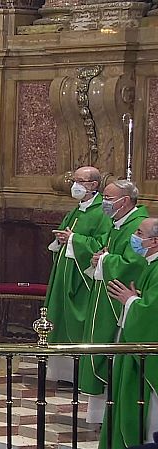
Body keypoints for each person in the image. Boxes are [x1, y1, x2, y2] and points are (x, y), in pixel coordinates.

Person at [81, 180, 147, 424]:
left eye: (108, 198)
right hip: (105, 292)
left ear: (125, 200)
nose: (104, 203)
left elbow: (135, 263)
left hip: (120, 297)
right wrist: (101, 256)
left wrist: (106, 260)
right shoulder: (120, 222)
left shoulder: (138, 225)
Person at [44, 166, 110, 383]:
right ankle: (59, 372)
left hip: (81, 278)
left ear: (93, 185)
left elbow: (103, 245)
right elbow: (67, 233)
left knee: (75, 320)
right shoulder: (78, 208)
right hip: (64, 272)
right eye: (74, 180)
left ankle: (76, 373)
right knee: (58, 315)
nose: (74, 185)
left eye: (80, 181)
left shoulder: (102, 211)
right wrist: (62, 238)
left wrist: (74, 240)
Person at [101, 218, 158, 449]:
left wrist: (131, 301)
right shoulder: (151, 264)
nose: (134, 236)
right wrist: (135, 301)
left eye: (138, 232)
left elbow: (152, 313)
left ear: (154, 241)